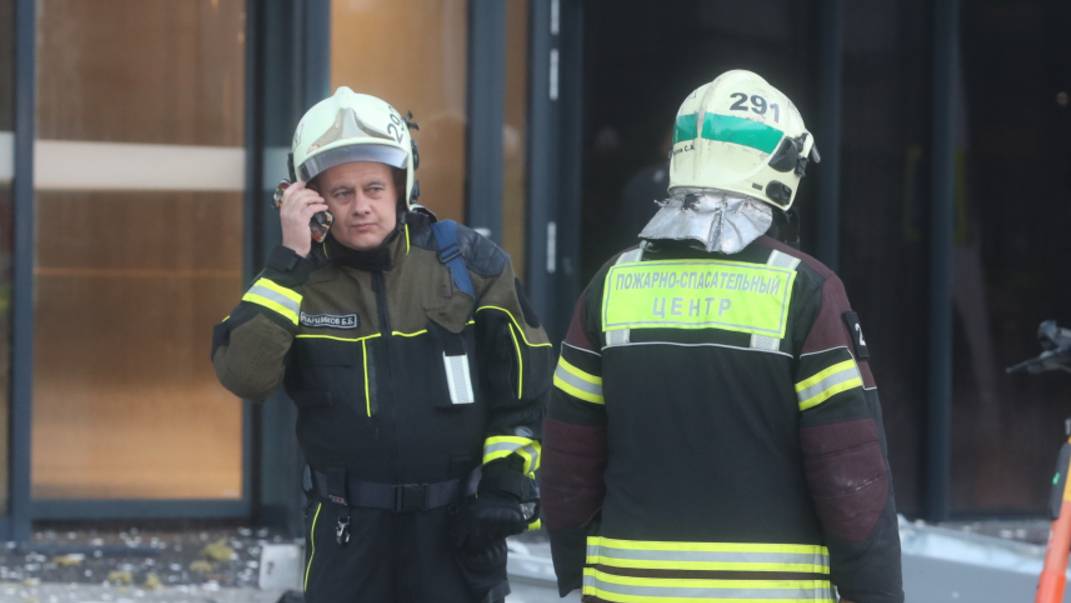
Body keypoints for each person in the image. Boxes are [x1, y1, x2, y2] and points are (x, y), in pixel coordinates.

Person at [541, 70, 904, 603]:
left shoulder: (610, 285)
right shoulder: (805, 289)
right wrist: (874, 591)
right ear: (781, 170)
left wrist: (574, 570)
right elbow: (851, 472)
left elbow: (567, 462)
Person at [211, 87, 553, 602]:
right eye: (342, 193)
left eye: (374, 187)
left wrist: (507, 482)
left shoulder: (468, 265)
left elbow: (527, 391)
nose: (361, 207)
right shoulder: (296, 281)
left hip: (455, 532)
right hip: (347, 533)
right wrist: (289, 263)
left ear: (402, 185)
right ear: (311, 198)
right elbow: (246, 377)